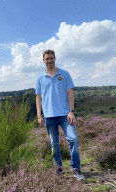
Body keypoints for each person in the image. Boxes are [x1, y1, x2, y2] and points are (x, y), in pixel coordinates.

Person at [35, 49, 85, 181]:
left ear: (55, 59)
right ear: (43, 60)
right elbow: (38, 98)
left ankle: (76, 169)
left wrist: (71, 111)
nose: (49, 61)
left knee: (73, 139)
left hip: (65, 115)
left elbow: (70, 93)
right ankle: (58, 169)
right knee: (54, 143)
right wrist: (39, 116)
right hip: (49, 116)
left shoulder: (64, 74)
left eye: (51, 58)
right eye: (47, 59)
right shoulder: (40, 78)